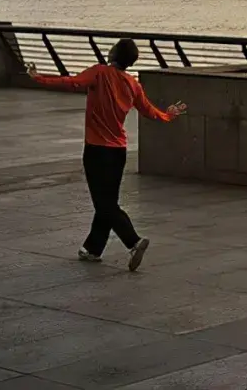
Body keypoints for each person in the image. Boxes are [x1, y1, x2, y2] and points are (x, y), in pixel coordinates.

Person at [27, 39, 185, 271]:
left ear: (113, 53)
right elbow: (150, 112)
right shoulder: (133, 84)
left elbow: (70, 82)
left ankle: (133, 241)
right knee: (107, 201)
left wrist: (38, 77)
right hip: (118, 151)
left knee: (104, 204)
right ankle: (92, 249)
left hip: (96, 149)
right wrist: (169, 115)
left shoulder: (99, 73)